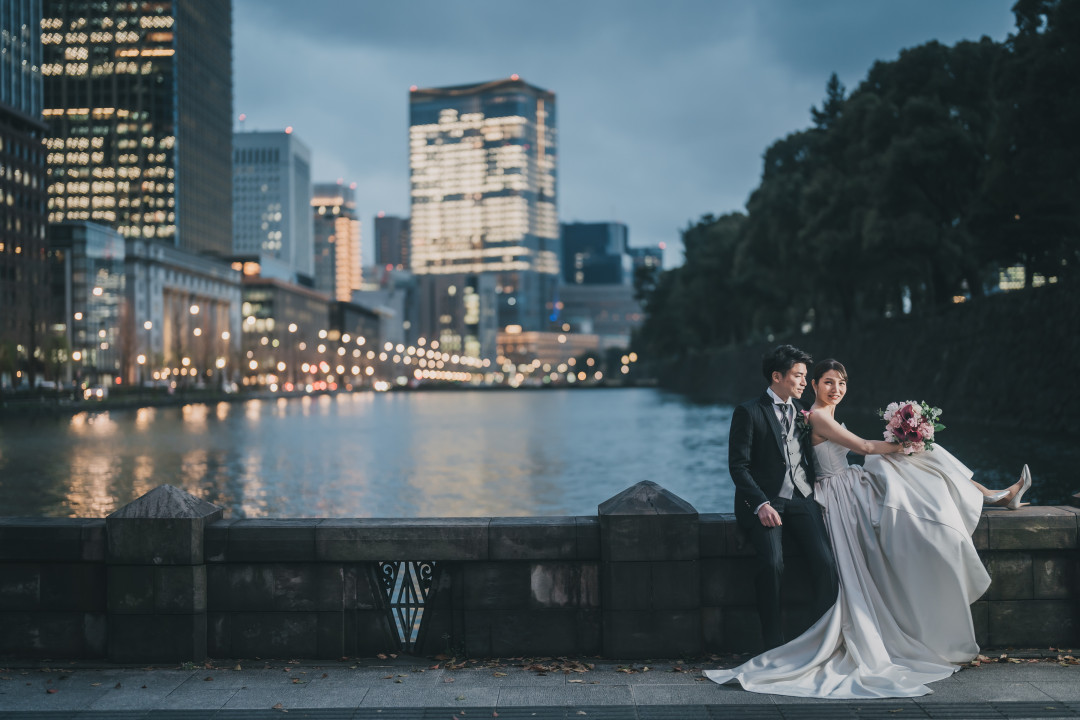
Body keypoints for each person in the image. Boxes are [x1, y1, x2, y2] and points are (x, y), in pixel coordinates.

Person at [706, 358, 1032, 698]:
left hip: (847, 481)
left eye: (842, 383)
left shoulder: (804, 413)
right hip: (839, 491)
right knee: (916, 461)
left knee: (921, 462)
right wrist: (909, 442)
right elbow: (861, 447)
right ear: (815, 384)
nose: (836, 389)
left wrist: (912, 443)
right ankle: (991, 496)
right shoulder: (814, 415)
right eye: (828, 382)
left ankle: (990, 494)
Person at [728, 345, 839, 651]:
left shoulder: (805, 412)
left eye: (805, 376)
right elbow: (738, 466)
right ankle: (773, 644)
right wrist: (760, 503)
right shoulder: (748, 412)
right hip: (767, 502)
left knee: (828, 564)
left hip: (803, 498)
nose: (805, 382)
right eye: (798, 375)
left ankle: (818, 640)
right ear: (777, 376)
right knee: (773, 565)